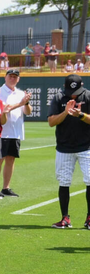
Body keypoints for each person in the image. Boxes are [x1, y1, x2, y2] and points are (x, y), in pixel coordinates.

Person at [50, 74, 90, 227]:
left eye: (76, 91)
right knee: (64, 182)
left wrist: (79, 114)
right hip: (64, 146)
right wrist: (66, 112)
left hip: (87, 146)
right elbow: (51, 122)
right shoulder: (59, 97)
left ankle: (89, 218)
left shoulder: (88, 96)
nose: (73, 94)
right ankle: (65, 218)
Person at [0, 68, 29, 197]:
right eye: (10, 76)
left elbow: (27, 112)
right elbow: (5, 109)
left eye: (15, 77)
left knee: (11, 160)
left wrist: (26, 103)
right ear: (5, 77)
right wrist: (21, 103)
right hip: (2, 132)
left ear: (18, 79)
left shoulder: (21, 93)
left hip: (16, 132)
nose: (12, 78)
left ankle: (6, 187)